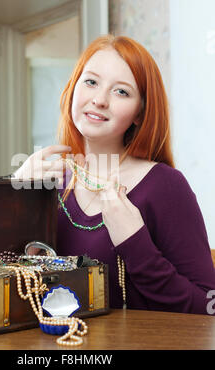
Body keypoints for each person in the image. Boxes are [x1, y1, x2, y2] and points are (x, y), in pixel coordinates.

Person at [14, 34, 215, 315]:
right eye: (91, 82)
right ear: (73, 89)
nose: (99, 100)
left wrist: (135, 243)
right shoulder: (43, 179)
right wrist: (11, 199)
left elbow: (207, 309)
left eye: (121, 91)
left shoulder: (166, 186)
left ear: (139, 114)